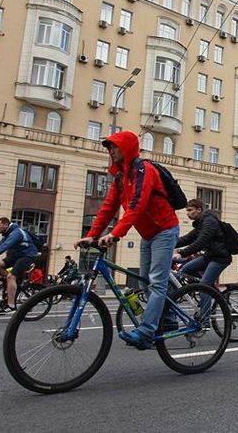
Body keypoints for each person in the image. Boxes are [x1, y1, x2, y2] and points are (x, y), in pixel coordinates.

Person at [75, 131, 180, 350]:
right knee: (143, 282)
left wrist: (116, 233)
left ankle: (147, 331)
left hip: (165, 229)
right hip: (148, 234)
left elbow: (137, 205)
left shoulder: (144, 170)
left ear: (127, 148)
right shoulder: (121, 178)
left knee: (157, 282)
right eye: (109, 147)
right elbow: (108, 207)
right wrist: (92, 234)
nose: (110, 151)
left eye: (114, 147)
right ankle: (168, 317)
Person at [0, 217, 40, 315]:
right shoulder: (8, 234)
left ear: (5, 224)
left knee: (11, 276)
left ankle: (11, 306)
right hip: (16, 255)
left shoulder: (16, 233)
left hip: (27, 255)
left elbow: (5, 246)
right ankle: (10, 282)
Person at [173, 198, 232, 289]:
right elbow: (187, 239)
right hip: (209, 256)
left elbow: (201, 241)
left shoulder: (209, 221)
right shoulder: (200, 224)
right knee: (185, 270)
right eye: (187, 211)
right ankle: (212, 290)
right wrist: (166, 244)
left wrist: (182, 253)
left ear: (199, 210)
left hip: (220, 258)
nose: (187, 213)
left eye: (190, 210)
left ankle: (206, 288)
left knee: (204, 287)